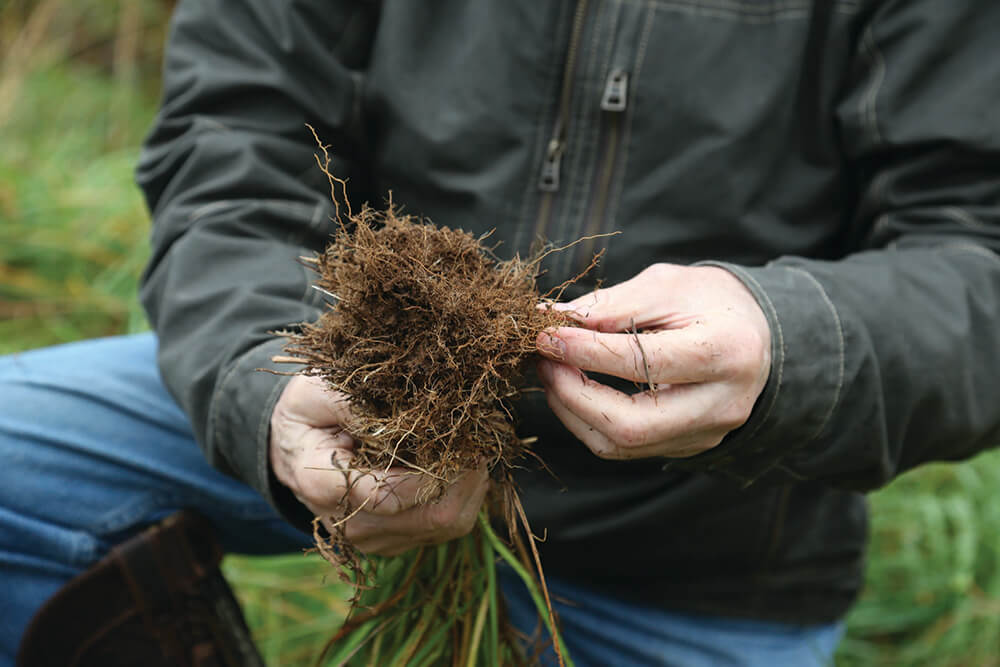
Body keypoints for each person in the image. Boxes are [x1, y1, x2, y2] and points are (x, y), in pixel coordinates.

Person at [3, 0, 999, 664]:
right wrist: (259, 381)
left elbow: (977, 254)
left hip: (700, 553)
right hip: (359, 405)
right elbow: (231, 139)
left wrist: (793, 343)